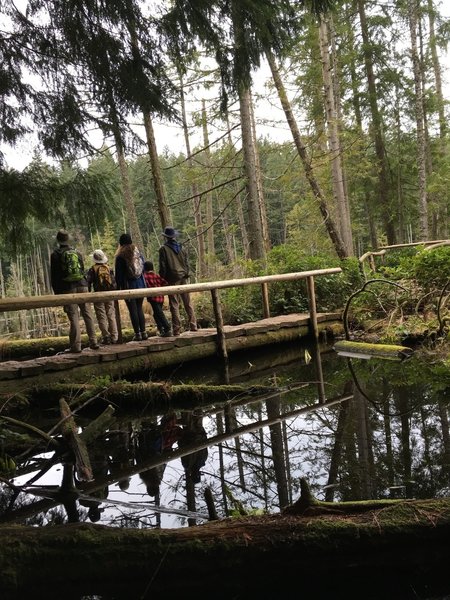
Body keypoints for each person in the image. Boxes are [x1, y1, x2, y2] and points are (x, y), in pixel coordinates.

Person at [50, 229, 99, 353]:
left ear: (58, 240)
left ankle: (76, 346)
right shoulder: (76, 252)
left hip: (68, 287)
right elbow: (82, 269)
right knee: (87, 313)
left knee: (74, 316)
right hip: (83, 285)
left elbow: (55, 276)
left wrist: (57, 293)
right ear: (68, 240)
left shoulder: (55, 254)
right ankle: (94, 341)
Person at [158, 226, 197, 336]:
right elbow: (186, 263)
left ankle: (177, 329)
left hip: (171, 279)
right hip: (183, 277)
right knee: (187, 303)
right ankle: (193, 325)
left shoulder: (163, 249)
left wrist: (163, 279)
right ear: (174, 236)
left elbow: (163, 266)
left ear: (166, 237)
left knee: (174, 304)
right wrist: (186, 273)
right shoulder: (182, 247)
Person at [114, 233, 148, 342]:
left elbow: (119, 275)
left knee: (132, 309)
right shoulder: (138, 253)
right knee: (139, 309)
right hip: (140, 284)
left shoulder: (120, 256)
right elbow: (142, 268)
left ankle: (137, 334)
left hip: (128, 285)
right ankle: (144, 332)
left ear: (121, 243)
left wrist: (118, 288)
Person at [86, 249, 119, 345]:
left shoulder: (92, 269)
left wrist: (88, 293)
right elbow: (114, 282)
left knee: (101, 315)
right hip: (109, 294)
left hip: (98, 294)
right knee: (111, 314)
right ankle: (114, 336)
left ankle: (106, 336)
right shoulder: (109, 268)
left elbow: (88, 282)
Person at [143, 260, 172, 337]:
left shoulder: (145, 277)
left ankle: (167, 328)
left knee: (159, 313)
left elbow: (146, 286)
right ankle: (161, 329)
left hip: (153, 298)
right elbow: (165, 282)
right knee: (156, 313)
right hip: (160, 297)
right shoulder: (156, 275)